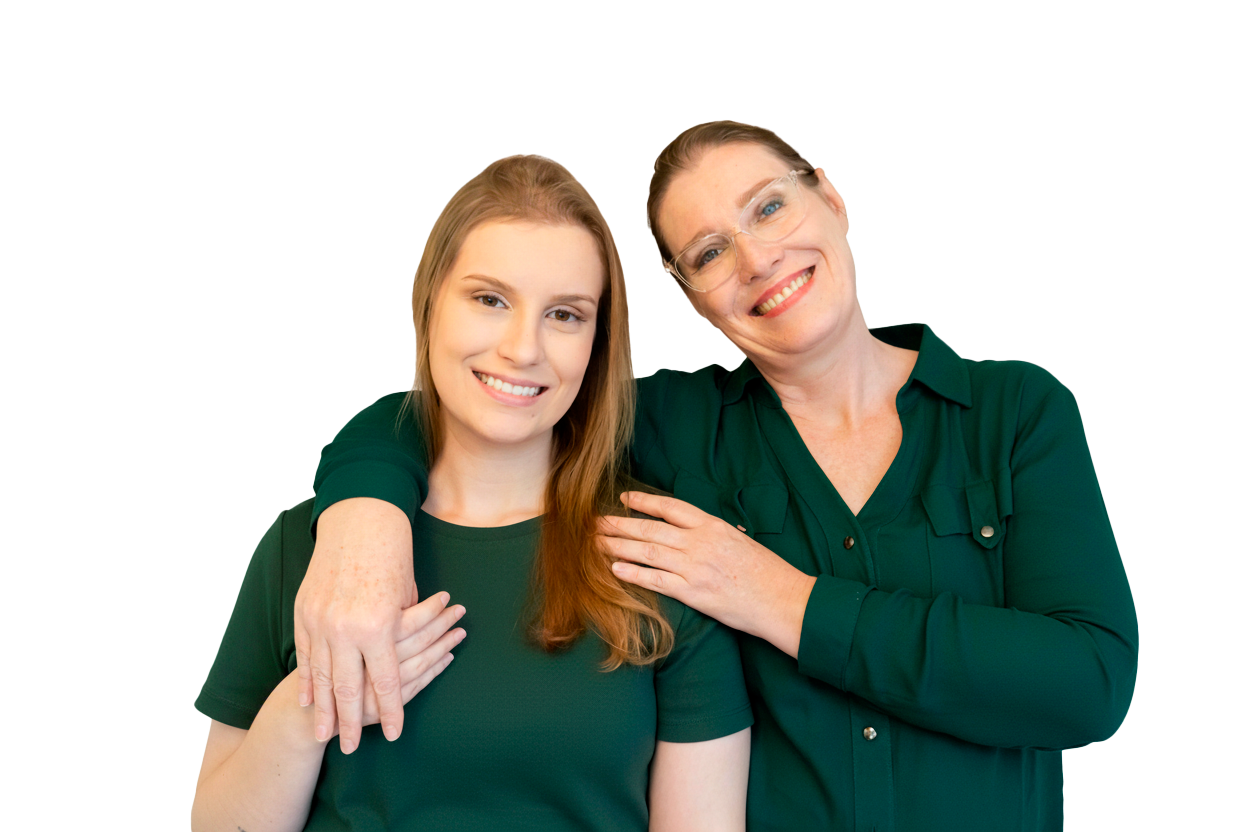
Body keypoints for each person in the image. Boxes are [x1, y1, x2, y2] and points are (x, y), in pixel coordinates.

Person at [294, 123, 1139, 831]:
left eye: (769, 207)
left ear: (831, 198)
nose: (758, 259)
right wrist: (363, 522)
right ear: (690, 294)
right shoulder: (672, 427)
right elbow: (483, 399)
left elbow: (1089, 682)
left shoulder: (1013, 414)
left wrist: (780, 599)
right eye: (708, 253)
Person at [191, 154, 752, 832]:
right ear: (431, 303)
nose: (523, 348)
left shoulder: (661, 560)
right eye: (490, 300)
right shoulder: (310, 548)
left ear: (597, 342)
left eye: (565, 315)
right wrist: (314, 701)